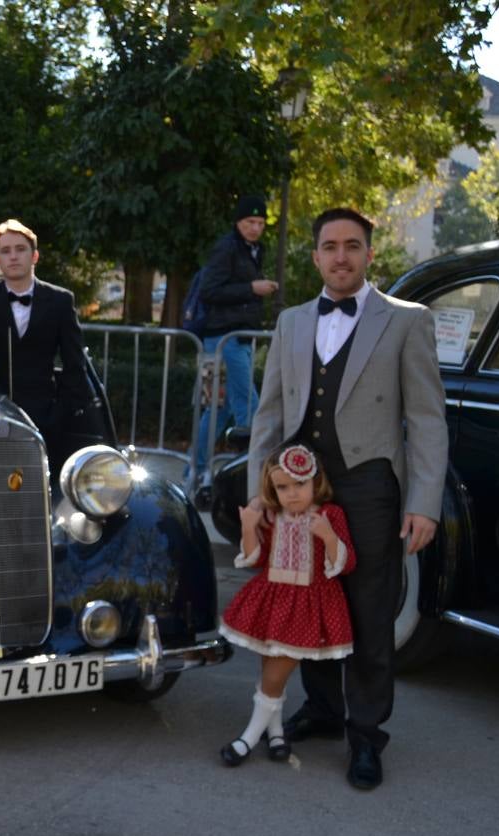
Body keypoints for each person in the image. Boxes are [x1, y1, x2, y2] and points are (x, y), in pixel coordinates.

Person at [247, 207, 448, 790]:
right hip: (299, 485)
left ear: (368, 254)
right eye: (330, 246)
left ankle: (366, 734)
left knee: (367, 609)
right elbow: (270, 414)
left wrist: (424, 502)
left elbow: (427, 419)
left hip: (368, 485)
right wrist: (259, 496)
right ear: (315, 256)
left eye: (352, 246)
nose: (341, 256)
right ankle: (324, 709)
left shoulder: (406, 321)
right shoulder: (289, 321)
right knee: (307, 600)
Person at [218, 444, 355, 767]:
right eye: (282, 487)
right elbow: (256, 558)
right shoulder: (274, 516)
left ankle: (249, 737)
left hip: (308, 605)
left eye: (299, 485)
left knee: (277, 672)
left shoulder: (329, 515)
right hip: (273, 599)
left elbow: (345, 564)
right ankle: (277, 733)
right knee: (269, 668)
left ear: (315, 482)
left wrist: (329, 536)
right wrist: (249, 526)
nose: (292, 494)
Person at [0, 219, 107, 469]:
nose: (13, 256)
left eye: (20, 249)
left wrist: (61, 412)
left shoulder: (60, 300)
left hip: (45, 415)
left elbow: (74, 362)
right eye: (5, 251)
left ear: (34, 256)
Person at [190, 195, 278, 493]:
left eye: (260, 223)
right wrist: (252, 288)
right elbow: (209, 291)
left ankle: (197, 469)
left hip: (236, 337)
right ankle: (247, 476)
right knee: (247, 406)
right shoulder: (228, 247)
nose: (255, 228)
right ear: (238, 223)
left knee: (219, 411)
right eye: (249, 222)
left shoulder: (252, 249)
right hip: (225, 338)